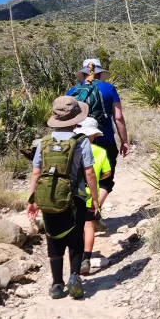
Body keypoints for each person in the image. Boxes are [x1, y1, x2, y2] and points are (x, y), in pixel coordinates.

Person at [26, 96, 100, 300]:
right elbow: (90, 172)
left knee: (53, 239)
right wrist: (94, 199)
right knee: (76, 238)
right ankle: (75, 276)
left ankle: (57, 284)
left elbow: (36, 172)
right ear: (76, 119)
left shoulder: (44, 142)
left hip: (48, 197)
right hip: (75, 198)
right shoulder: (81, 141)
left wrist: (32, 200)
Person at [66, 58, 129, 228]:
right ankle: (93, 213)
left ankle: (77, 215)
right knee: (106, 179)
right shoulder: (109, 88)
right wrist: (124, 141)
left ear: (84, 73)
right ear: (99, 73)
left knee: (79, 177)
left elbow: (65, 119)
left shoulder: (71, 91)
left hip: (76, 140)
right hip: (104, 138)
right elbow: (118, 117)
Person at [71, 116, 112, 276]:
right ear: (94, 135)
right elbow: (107, 173)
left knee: (76, 226)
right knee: (89, 226)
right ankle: (86, 259)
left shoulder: (73, 149)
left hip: (74, 193)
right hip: (90, 195)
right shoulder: (101, 152)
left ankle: (76, 257)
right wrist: (96, 181)